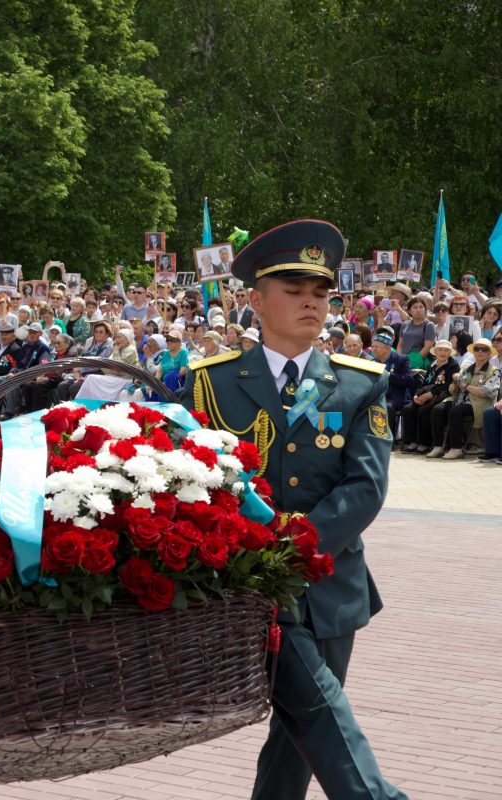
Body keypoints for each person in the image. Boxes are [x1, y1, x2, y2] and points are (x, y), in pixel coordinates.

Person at [182, 219, 407, 800]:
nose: (312, 303)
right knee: (320, 712)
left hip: (328, 582)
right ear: (255, 301)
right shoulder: (213, 384)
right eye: (294, 291)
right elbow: (192, 478)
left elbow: (365, 488)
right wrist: (260, 557)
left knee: (299, 733)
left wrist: (296, 546)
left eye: (321, 292)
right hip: (248, 585)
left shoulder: (359, 385)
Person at [428, 338, 500, 460]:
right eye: (477, 349)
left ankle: (456, 448)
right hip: (461, 400)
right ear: (474, 352)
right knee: (438, 409)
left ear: (489, 353)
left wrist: (464, 385)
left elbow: (485, 393)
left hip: (479, 403)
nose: (480, 352)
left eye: (484, 349)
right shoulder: (466, 370)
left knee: (456, 411)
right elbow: (452, 390)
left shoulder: (493, 371)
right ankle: (437, 446)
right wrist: (455, 382)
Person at [400, 340, 459, 454]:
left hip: (443, 397)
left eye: (446, 350)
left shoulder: (453, 365)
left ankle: (425, 443)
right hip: (430, 396)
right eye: (440, 350)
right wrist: (417, 395)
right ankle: (413, 442)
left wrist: (429, 395)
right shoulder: (431, 365)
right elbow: (425, 384)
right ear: (435, 352)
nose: (442, 352)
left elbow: (447, 387)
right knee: (408, 409)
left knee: (424, 410)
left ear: (450, 352)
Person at [369, 329, 412, 438]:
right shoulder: (372, 362)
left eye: (376, 347)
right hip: (377, 395)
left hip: (395, 396)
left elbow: (408, 380)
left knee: (386, 407)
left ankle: (386, 439)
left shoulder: (401, 359)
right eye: (373, 346)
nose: (373, 349)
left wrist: (388, 375)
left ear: (387, 348)